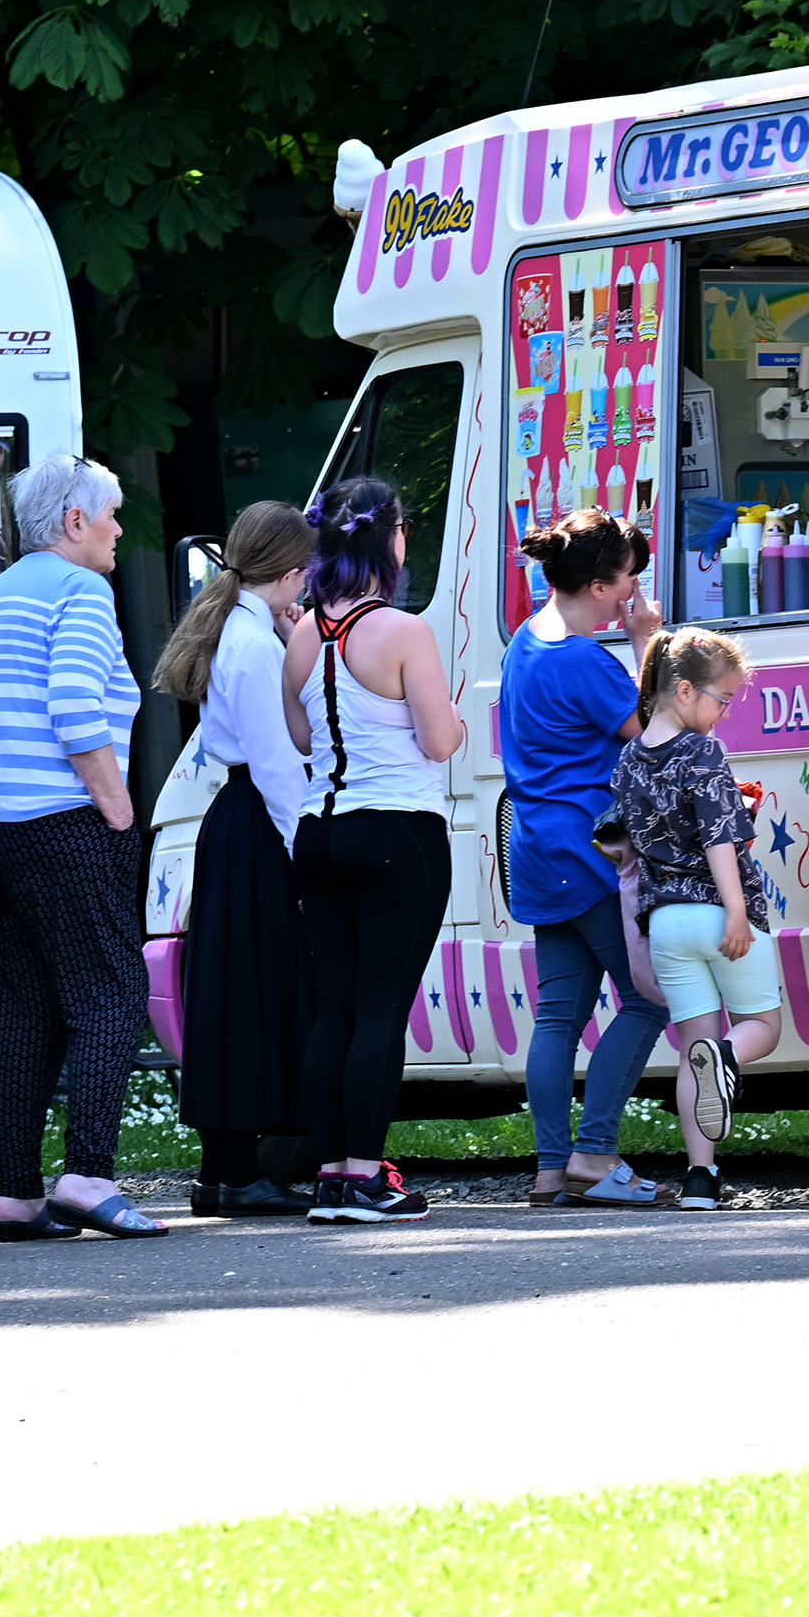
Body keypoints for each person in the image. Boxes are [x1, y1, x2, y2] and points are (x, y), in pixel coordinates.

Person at [0, 455, 160, 1242]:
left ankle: (17, 1193)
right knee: (113, 992)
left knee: (24, 1004)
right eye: (110, 514)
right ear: (75, 521)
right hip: (60, 817)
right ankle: (88, 1176)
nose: (118, 529)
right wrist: (118, 807)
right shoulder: (81, 590)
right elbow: (75, 705)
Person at [285, 476, 464, 1226]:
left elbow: (301, 737)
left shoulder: (303, 633)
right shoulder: (403, 630)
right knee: (381, 1007)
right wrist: (456, 718)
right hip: (396, 830)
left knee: (334, 1006)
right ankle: (366, 1175)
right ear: (391, 539)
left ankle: (331, 1174)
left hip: (319, 832)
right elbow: (440, 739)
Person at [501, 509, 671, 1208]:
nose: (634, 590)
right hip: (595, 855)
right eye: (628, 578)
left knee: (557, 1018)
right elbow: (656, 732)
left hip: (538, 853)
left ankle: (551, 1170)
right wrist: (647, 640)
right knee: (648, 999)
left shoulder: (524, 641)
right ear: (601, 587)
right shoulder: (585, 661)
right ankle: (595, 1153)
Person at [152, 500, 314, 1218]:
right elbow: (277, 763)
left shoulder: (240, 630)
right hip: (260, 823)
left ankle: (223, 1170)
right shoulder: (254, 645)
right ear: (289, 570)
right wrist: (303, 853)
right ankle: (241, 1174)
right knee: (257, 995)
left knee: (230, 995)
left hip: (234, 819)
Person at [615, 628, 790, 1212]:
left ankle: (700, 1179)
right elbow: (718, 837)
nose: (725, 712)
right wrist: (737, 911)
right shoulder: (701, 752)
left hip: (666, 922)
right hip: (718, 912)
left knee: (695, 1046)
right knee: (760, 1026)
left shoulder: (629, 759)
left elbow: (625, 841)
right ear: (685, 690)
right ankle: (728, 1059)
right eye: (723, 699)